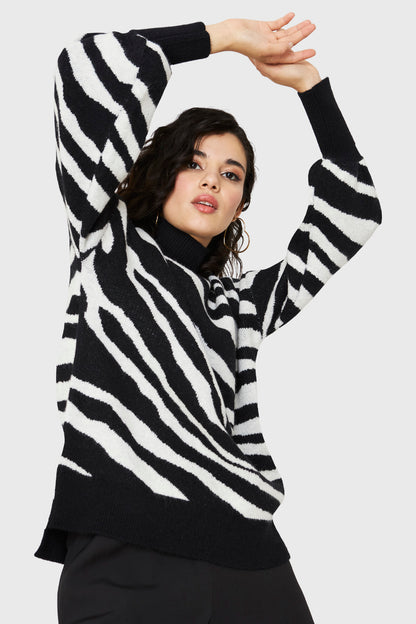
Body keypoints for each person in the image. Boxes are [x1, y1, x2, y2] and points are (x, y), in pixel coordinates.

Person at [34, 14, 382, 623]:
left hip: (246, 555)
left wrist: (311, 88)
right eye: (194, 163)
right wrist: (226, 37)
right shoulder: (105, 238)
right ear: (163, 170)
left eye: (231, 174)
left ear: (240, 204)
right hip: (121, 552)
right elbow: (89, 63)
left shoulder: (239, 305)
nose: (211, 182)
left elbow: (354, 211)